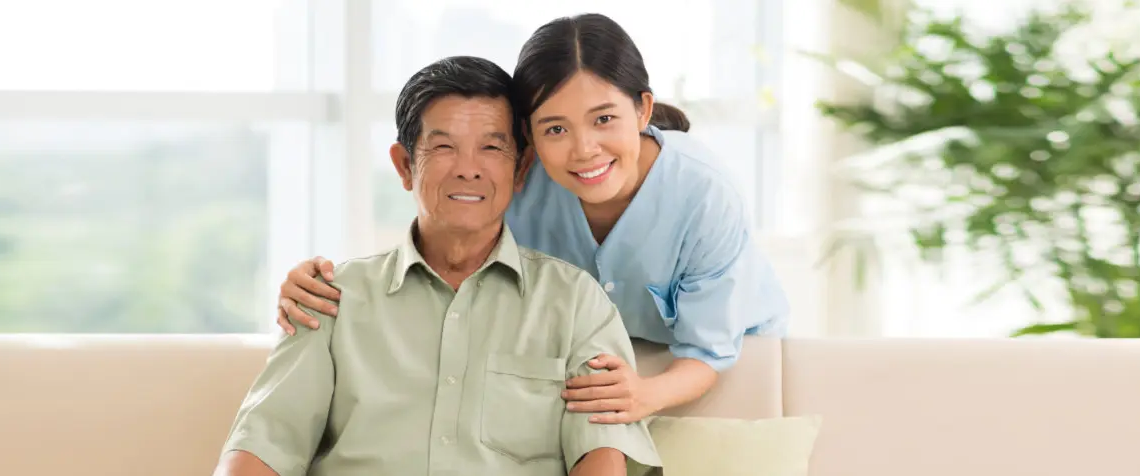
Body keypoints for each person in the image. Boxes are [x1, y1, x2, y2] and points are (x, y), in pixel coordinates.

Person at [277, 13, 790, 425]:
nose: (584, 150)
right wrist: (325, 288)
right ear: (528, 135)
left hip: (721, 359)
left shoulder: (703, 193)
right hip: (587, 356)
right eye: (555, 129)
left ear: (642, 109)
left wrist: (644, 394)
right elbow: (442, 251)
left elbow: (708, 350)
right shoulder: (519, 179)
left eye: (604, 119)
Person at [205, 56, 662, 476]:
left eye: (491, 147)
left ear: (521, 167)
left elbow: (602, 454)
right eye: (443, 147)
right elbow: (261, 447)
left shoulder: (575, 301)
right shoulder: (328, 298)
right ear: (405, 166)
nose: (468, 168)